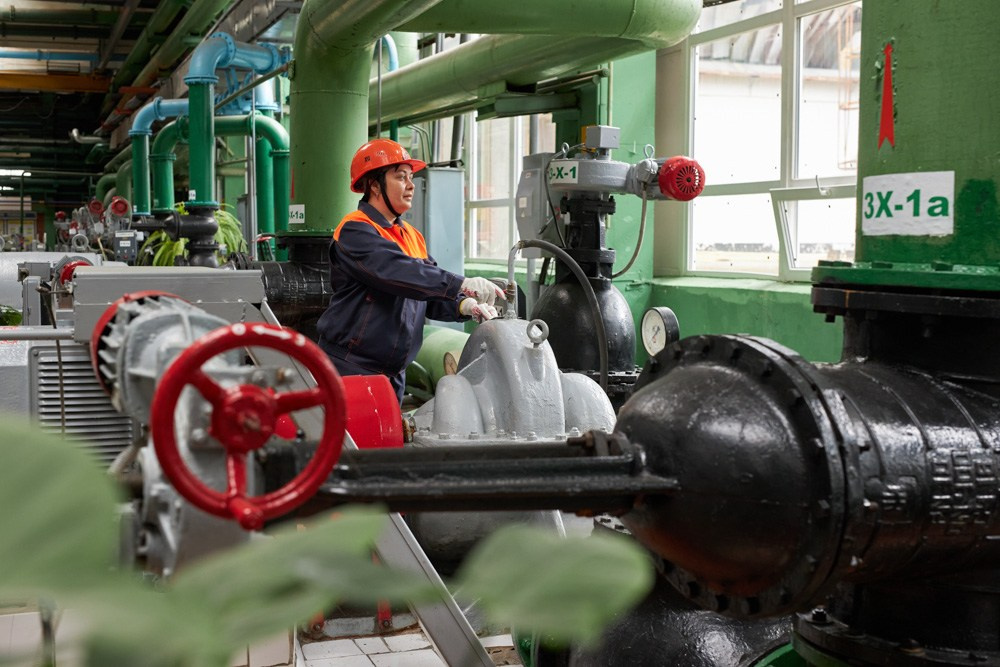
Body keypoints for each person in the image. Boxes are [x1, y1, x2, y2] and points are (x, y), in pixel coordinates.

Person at [316, 138, 504, 404]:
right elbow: (397, 271)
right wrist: (461, 283)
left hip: (393, 375)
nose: (411, 185)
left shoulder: (412, 236)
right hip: (351, 368)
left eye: (411, 177)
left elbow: (425, 292)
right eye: (400, 177)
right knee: (354, 433)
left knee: (387, 433)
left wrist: (465, 305)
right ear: (374, 185)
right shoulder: (355, 229)